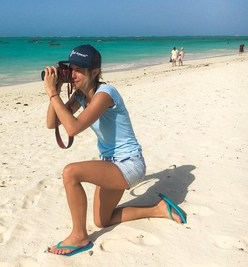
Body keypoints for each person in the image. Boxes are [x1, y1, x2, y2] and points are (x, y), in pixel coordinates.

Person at [43, 44, 187, 257]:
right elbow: (52, 123)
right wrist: (53, 92)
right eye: (70, 69)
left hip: (129, 164)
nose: (73, 74)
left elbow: (72, 128)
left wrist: (53, 93)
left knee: (70, 172)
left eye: (78, 70)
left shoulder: (106, 94)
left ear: (94, 72)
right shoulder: (81, 96)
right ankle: (159, 209)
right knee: (102, 221)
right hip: (111, 163)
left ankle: (79, 236)